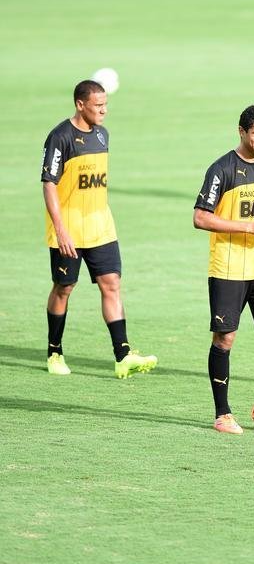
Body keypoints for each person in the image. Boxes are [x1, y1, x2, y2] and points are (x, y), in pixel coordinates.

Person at [41, 80, 157, 378]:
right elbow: (49, 185)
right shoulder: (60, 137)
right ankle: (55, 351)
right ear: (80, 104)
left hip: (101, 226)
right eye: (98, 105)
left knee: (112, 284)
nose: (104, 110)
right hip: (68, 228)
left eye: (106, 104)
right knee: (65, 287)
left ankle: (123, 355)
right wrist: (61, 229)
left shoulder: (103, 135)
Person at [193, 105, 254, 434]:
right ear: (242, 132)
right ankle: (222, 414)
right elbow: (201, 217)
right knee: (226, 338)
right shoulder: (222, 169)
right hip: (229, 266)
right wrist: (251, 228)